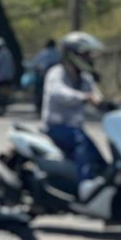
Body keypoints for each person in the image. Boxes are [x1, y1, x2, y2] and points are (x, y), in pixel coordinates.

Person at [42, 32, 106, 186]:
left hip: (75, 128)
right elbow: (58, 92)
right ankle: (85, 183)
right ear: (72, 54)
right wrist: (84, 97)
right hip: (56, 127)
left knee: (98, 157)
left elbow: (96, 95)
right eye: (85, 54)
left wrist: (107, 104)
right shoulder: (57, 72)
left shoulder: (85, 77)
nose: (89, 58)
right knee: (82, 144)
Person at [31, 39, 60, 116]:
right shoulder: (58, 53)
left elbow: (35, 64)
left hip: (42, 76)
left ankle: (38, 107)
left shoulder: (42, 53)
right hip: (54, 77)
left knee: (38, 92)